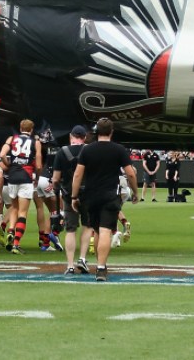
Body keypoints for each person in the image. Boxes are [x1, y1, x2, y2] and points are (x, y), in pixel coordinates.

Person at [70, 117, 137, 282]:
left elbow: (78, 174)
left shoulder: (87, 150)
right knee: (106, 230)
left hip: (91, 196)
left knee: (97, 230)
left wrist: (73, 195)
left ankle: (100, 265)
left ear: (96, 131)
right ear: (111, 132)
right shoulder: (119, 149)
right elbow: (130, 173)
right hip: (109, 195)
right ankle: (101, 268)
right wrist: (135, 191)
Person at [50, 125, 92, 275]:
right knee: (88, 226)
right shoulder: (90, 150)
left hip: (68, 194)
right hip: (88, 193)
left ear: (71, 136)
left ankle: (70, 265)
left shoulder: (62, 152)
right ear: (84, 137)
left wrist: (57, 186)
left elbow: (55, 178)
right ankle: (82, 258)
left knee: (70, 229)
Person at [0, 119, 41, 253]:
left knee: (14, 208)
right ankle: (16, 243)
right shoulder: (36, 142)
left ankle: (10, 230)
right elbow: (38, 165)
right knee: (23, 212)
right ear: (31, 129)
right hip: (26, 177)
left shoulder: (12, 138)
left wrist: (9, 164)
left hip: (13, 177)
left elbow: (1, 154)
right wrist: (37, 178)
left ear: (20, 128)